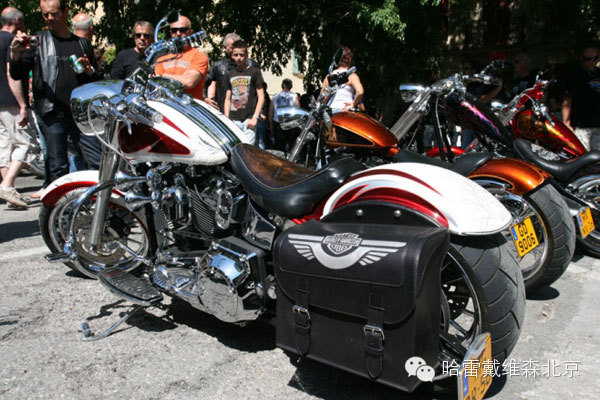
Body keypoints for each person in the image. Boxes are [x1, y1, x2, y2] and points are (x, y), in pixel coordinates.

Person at [9, 0, 102, 187]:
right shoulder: (38, 42)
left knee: (96, 160)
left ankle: (94, 201)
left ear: (65, 12)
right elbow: (17, 74)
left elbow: (94, 82)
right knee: (58, 166)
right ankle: (59, 204)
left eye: (54, 13)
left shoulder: (83, 44)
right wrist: (16, 55)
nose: (50, 18)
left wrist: (89, 71)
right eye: (45, 14)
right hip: (51, 112)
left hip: (80, 114)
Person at [0, 7, 32, 208]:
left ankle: (9, 192)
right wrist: (23, 105)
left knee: (4, 146)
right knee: (25, 143)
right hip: (9, 99)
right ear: (17, 22)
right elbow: (11, 73)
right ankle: (7, 184)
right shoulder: (12, 42)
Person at [154, 15, 208, 100]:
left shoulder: (198, 56)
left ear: (190, 32)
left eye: (182, 30)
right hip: (165, 106)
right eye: (174, 30)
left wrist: (162, 76)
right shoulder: (161, 58)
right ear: (170, 32)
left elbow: (189, 82)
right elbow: (155, 83)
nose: (178, 33)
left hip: (187, 107)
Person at [204, 32, 260, 111]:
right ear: (225, 48)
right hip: (224, 112)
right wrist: (205, 98)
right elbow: (204, 82)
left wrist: (261, 112)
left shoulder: (252, 65)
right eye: (232, 47)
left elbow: (261, 91)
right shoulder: (218, 66)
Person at [223, 40, 264, 143]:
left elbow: (261, 96)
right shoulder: (230, 74)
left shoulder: (255, 72)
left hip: (248, 120)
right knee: (233, 148)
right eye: (235, 55)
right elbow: (227, 99)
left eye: (241, 55)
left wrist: (255, 117)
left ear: (246, 55)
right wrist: (226, 119)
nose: (238, 58)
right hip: (233, 120)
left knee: (247, 150)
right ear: (231, 56)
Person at [562, 44, 600, 150]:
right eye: (587, 58)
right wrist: (566, 122)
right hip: (581, 125)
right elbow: (567, 100)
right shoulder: (575, 75)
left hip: (598, 125)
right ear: (581, 58)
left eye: (594, 58)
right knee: (583, 154)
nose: (591, 62)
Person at [321, 46, 364, 113]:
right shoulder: (352, 76)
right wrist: (353, 104)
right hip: (344, 112)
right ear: (350, 60)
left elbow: (323, 97)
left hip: (330, 112)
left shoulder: (329, 76)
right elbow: (360, 92)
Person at [269, 78, 300, 152]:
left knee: (279, 147)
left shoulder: (275, 96)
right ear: (291, 86)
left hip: (278, 123)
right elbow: (298, 111)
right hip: (290, 123)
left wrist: (271, 125)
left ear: (281, 86)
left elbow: (270, 112)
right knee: (292, 146)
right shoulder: (294, 96)